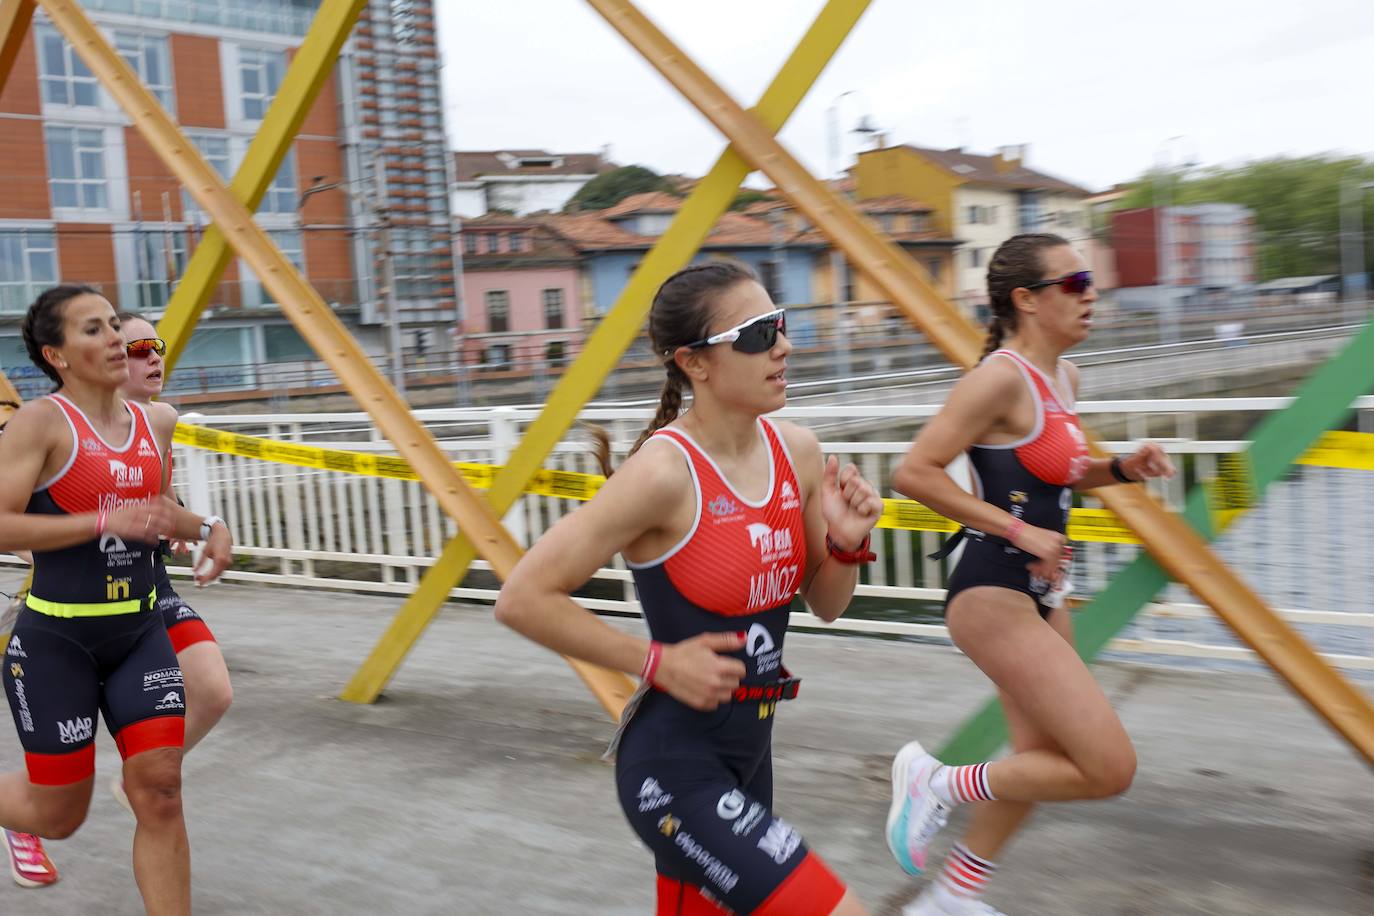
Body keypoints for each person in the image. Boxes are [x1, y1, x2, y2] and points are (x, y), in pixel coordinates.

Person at [495, 261, 884, 915]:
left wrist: (846, 543)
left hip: (750, 759)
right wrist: (656, 662)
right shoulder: (664, 475)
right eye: (758, 334)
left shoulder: (800, 453)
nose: (783, 346)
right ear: (695, 363)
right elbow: (524, 596)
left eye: (781, 326)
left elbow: (827, 606)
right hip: (673, 769)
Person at [885, 235, 1175, 916]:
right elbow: (914, 471)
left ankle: (950, 899)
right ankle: (935, 781)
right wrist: (1015, 529)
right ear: (1026, 299)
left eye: (1090, 281)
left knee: (1042, 759)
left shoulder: (1064, 378)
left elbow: (1057, 473)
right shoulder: (998, 377)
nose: (1090, 292)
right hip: (993, 592)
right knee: (1108, 767)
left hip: (1047, 593)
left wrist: (1122, 468)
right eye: (1073, 281)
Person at [0, 285, 232, 914]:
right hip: (57, 643)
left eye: (115, 327)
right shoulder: (41, 422)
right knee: (58, 816)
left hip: (137, 632)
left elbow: (153, 514)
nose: (116, 342)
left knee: (159, 790)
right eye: (94, 330)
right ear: (57, 355)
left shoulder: (155, 423)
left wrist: (209, 527)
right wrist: (100, 522)